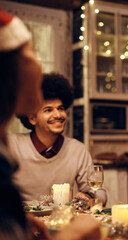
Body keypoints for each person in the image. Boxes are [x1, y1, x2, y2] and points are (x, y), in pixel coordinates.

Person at [0, 8, 101, 240]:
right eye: (30, 53)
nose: (37, 64)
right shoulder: (10, 148)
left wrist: (16, 219)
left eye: (60, 107)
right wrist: (72, 236)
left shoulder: (75, 149)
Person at [7, 73, 107, 205]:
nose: (58, 115)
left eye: (60, 108)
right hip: (23, 222)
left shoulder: (77, 150)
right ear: (32, 118)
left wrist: (89, 197)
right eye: (48, 110)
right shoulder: (12, 145)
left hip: (62, 221)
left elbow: (100, 192)